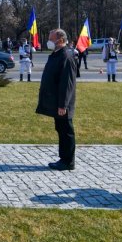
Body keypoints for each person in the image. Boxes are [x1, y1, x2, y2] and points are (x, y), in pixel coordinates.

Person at [36, 28, 78, 171]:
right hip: (56, 101)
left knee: (66, 130)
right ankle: (63, 158)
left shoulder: (66, 55)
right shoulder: (57, 54)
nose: (49, 41)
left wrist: (63, 105)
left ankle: (68, 162)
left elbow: (67, 83)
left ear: (60, 40)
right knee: (60, 129)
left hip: (63, 103)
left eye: (51, 39)